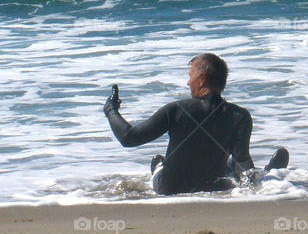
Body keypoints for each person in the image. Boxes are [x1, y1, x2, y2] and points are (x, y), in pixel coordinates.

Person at [103, 52, 288, 195]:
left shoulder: (176, 109)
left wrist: (111, 110)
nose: (187, 82)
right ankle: (270, 174)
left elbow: (129, 138)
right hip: (215, 188)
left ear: (201, 80)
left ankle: (158, 166)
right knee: (234, 164)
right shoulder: (240, 115)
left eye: (190, 75)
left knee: (159, 162)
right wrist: (256, 187)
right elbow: (243, 161)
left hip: (169, 190)